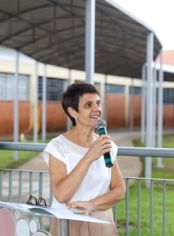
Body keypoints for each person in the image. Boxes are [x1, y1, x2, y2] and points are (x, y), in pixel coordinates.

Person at [43, 82, 126, 235]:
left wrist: (92, 204)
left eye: (98, 104)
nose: (97, 109)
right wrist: (89, 157)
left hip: (100, 224)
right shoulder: (58, 147)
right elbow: (61, 195)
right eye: (89, 105)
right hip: (68, 224)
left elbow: (119, 190)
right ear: (73, 112)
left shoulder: (107, 145)